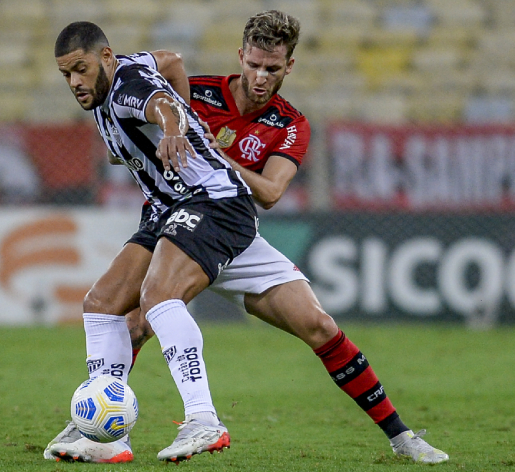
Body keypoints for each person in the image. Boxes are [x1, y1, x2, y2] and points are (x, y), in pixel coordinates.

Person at [45, 11, 449, 465]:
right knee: (111, 308)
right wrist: (168, 135)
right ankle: (102, 429)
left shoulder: (289, 123)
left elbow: (272, 191)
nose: (261, 75)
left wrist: (186, 137)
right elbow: (170, 66)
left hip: (222, 213)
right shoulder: (196, 90)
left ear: (288, 67)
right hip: (177, 216)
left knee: (316, 326)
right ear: (241, 57)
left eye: (272, 68)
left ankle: (401, 436)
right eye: (254, 64)